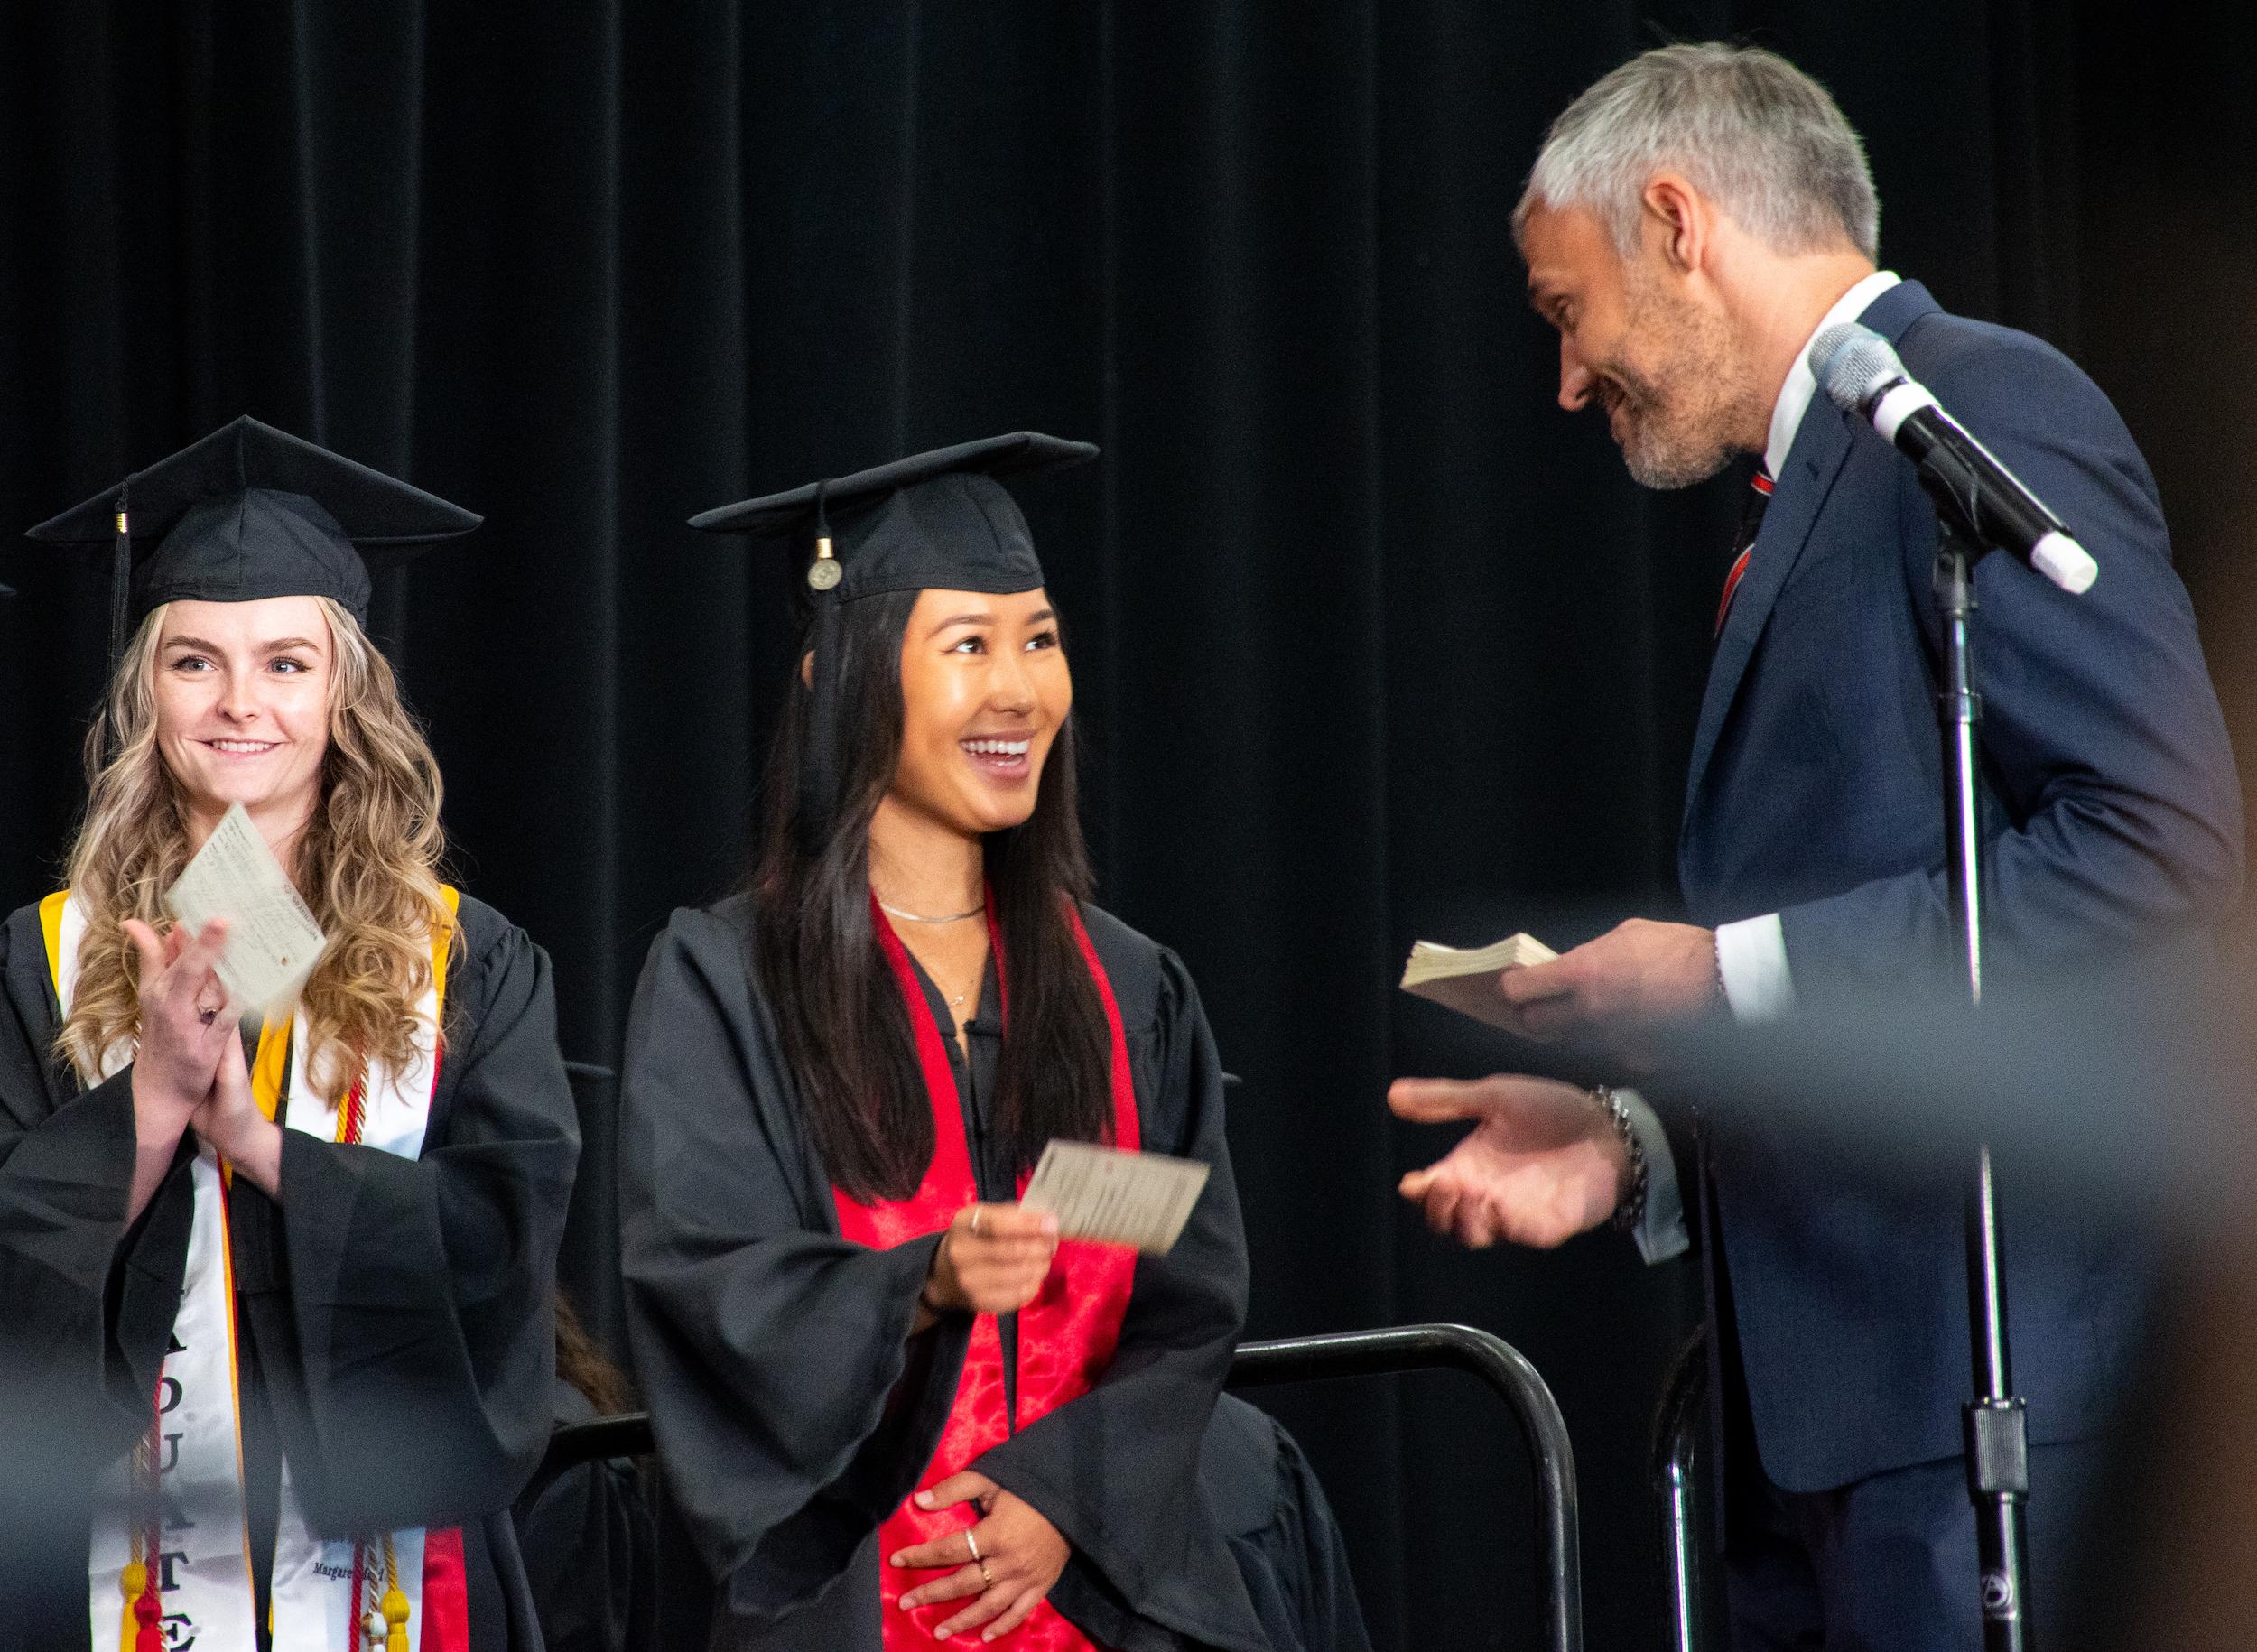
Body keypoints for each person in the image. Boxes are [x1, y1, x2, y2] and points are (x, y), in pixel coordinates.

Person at [1388, 43, 2243, 1651]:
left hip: (1983, 1397)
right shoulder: (1811, 484)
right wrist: (1633, 1141)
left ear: (1676, 221)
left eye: (1567, 312)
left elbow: (2158, 844)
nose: (1569, 381)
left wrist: (1724, 970)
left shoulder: (1980, 411)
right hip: (1829, 1430)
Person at [620, 433, 1370, 1651]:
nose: (1019, 690)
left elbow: (1189, 1298)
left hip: (1098, 1590)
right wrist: (922, 1283)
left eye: (1040, 638)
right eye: (968, 644)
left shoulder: (1129, 989)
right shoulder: (728, 979)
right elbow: (708, 1280)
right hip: (857, 1594)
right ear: (841, 680)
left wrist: (1064, 1500)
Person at [0, 417, 580, 1651]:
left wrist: (267, 1149)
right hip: (107, 1557)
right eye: (196, 661)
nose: (240, 702)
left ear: (345, 690)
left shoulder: (465, 957)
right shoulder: (42, 954)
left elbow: (504, 1245)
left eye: (286, 662)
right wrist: (148, 1109)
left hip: (390, 1548)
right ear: (146, 688)